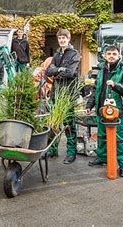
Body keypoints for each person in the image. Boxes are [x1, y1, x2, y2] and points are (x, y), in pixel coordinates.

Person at [86, 45, 123, 177]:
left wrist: (115, 85)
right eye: (109, 54)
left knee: (120, 139)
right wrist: (89, 105)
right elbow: (96, 89)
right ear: (104, 56)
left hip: (117, 111)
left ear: (119, 55)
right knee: (101, 136)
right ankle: (102, 158)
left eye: (114, 53)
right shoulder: (101, 69)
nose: (111, 56)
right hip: (102, 110)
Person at [46, 29, 80, 164]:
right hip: (56, 92)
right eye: (60, 38)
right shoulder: (57, 54)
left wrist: (57, 71)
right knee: (54, 122)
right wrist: (59, 69)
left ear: (69, 38)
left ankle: (72, 152)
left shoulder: (74, 54)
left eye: (64, 38)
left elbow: (71, 73)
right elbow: (48, 71)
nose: (62, 40)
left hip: (67, 94)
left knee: (69, 123)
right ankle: (53, 149)